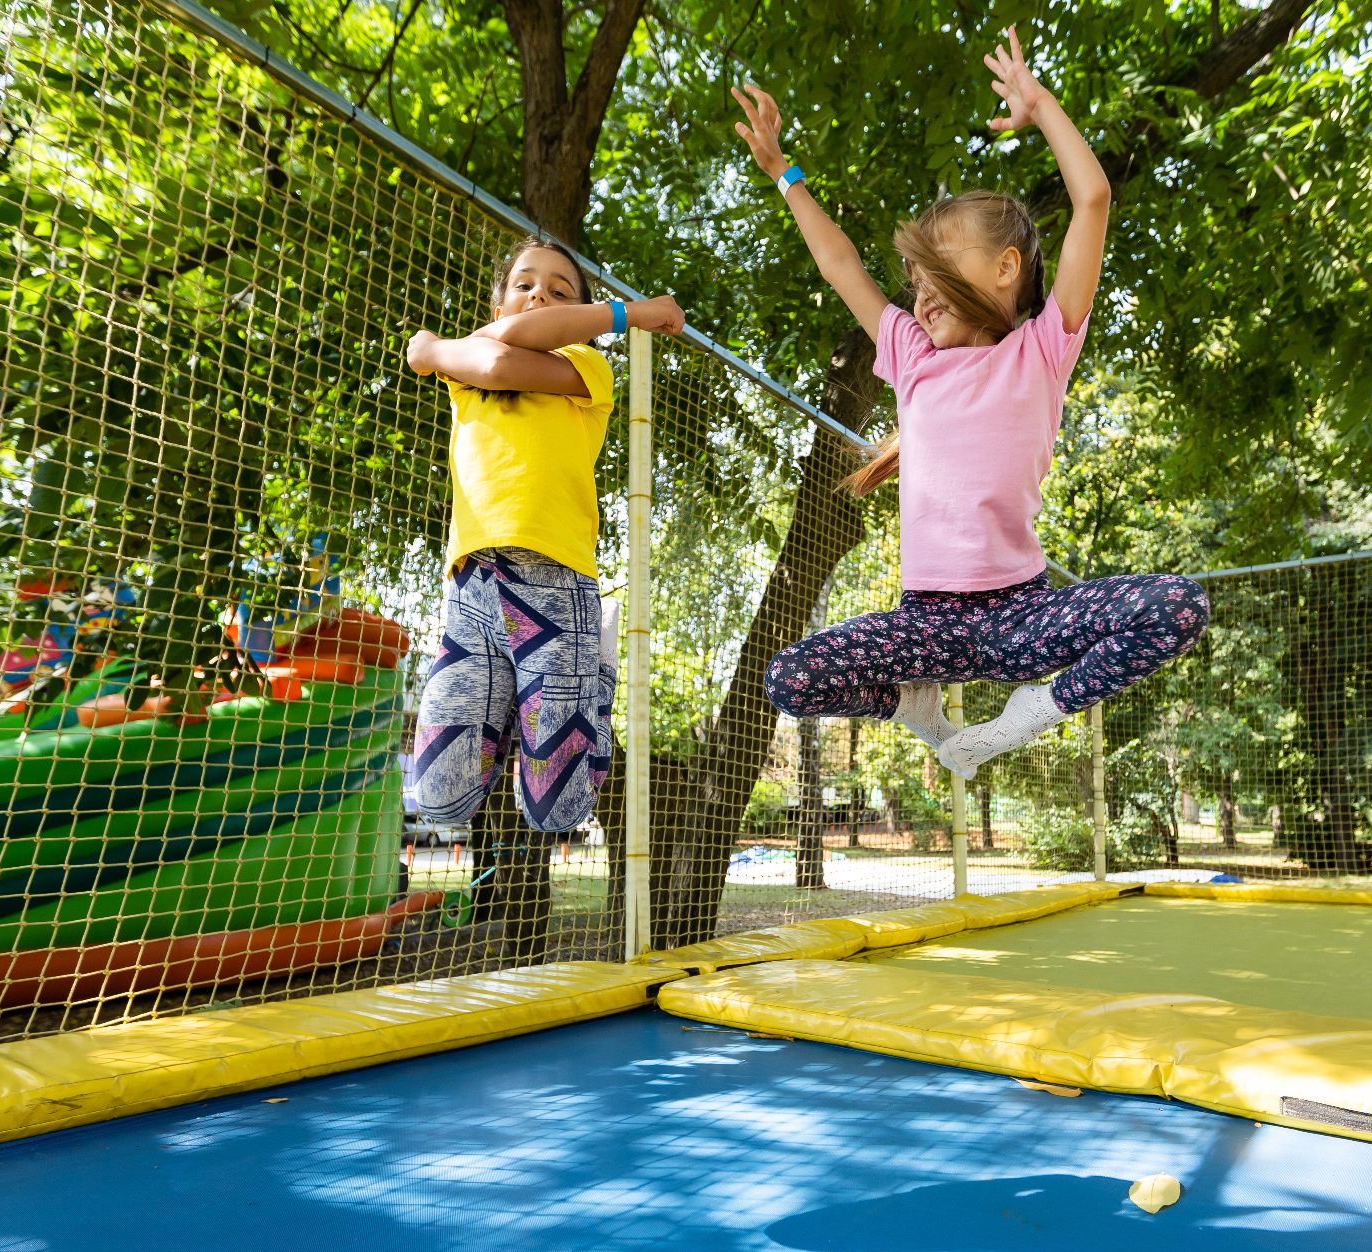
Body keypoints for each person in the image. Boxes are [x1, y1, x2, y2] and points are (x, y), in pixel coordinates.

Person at [734, 25, 1209, 779]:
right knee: (788, 677)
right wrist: (783, 170)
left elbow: (1092, 200)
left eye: (936, 272)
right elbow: (838, 264)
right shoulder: (912, 361)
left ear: (1005, 267)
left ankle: (1032, 713)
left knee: (1178, 605)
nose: (918, 296)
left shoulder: (1044, 348)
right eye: (913, 281)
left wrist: (1042, 106)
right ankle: (919, 710)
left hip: (1022, 614)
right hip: (926, 622)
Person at [405, 238, 684, 830]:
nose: (540, 296)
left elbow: (503, 362)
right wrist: (439, 349)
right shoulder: (467, 369)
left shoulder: (585, 367)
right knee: (439, 798)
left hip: (554, 583)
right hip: (471, 587)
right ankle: (512, 709)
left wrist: (429, 348)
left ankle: (593, 673)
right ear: (499, 307)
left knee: (556, 810)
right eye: (524, 285)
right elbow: (492, 357)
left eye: (560, 294)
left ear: (581, 324)